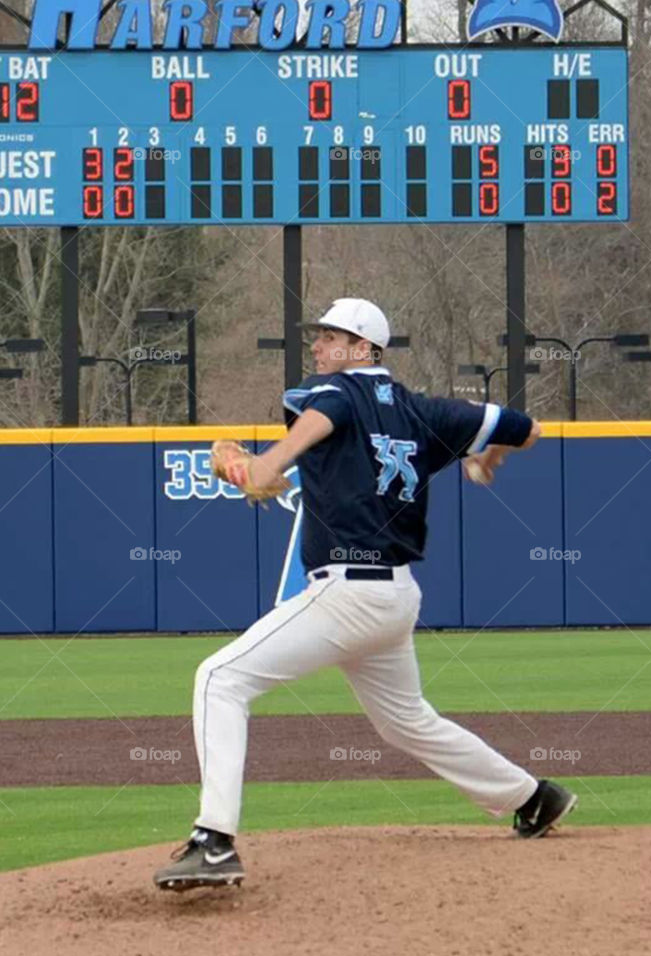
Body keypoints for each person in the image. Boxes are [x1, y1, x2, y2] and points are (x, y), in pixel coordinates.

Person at [154, 297, 576, 890]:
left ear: (362, 348)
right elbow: (528, 428)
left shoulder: (336, 391)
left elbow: (318, 422)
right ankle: (534, 796)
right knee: (406, 722)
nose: (319, 348)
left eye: (330, 337)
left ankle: (214, 842)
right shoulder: (424, 410)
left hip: (348, 594)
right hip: (394, 598)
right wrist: (489, 450)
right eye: (320, 337)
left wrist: (264, 463)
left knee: (219, 680)